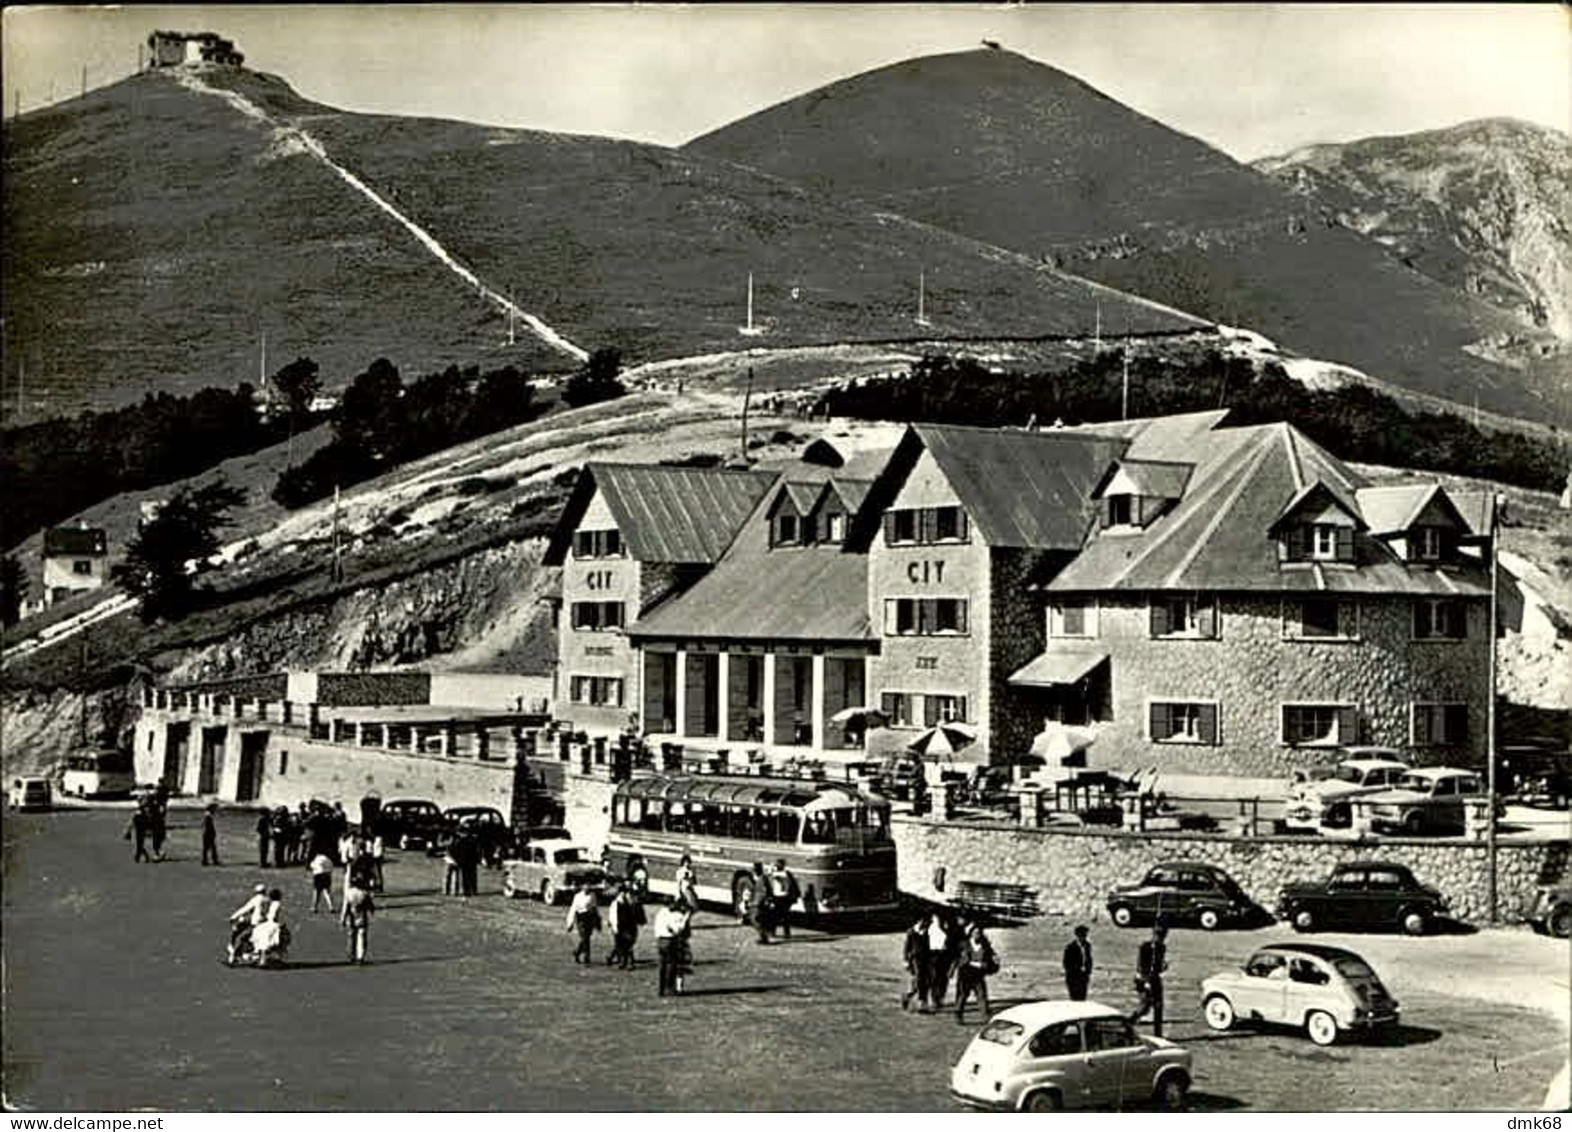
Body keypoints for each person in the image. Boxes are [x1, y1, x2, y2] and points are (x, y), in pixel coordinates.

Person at [1130, 922, 1170, 1036]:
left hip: (1155, 979)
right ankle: (1130, 1022)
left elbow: (1158, 965)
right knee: (1144, 1007)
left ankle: (1158, 1034)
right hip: (1143, 980)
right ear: (1154, 935)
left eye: (1162, 936)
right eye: (1159, 936)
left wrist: (1163, 966)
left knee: (1158, 1006)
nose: (1160, 939)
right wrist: (1146, 981)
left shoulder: (1162, 948)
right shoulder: (1145, 947)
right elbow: (1140, 965)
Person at [954, 922, 997, 1024]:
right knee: (962, 996)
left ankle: (986, 1016)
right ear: (971, 933)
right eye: (975, 932)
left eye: (979, 933)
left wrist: (988, 965)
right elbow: (957, 959)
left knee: (981, 995)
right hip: (965, 975)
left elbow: (992, 958)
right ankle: (958, 1015)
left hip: (978, 975)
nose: (977, 935)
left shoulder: (985, 946)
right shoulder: (964, 944)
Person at [654, 898, 692, 996]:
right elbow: (677, 929)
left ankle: (661, 989)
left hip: (660, 940)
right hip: (669, 940)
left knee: (662, 966)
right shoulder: (670, 915)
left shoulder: (660, 914)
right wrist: (685, 919)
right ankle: (670, 988)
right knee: (671, 965)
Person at [607, 882, 645, 970]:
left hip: (630, 926)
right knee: (626, 945)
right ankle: (628, 962)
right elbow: (613, 917)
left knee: (624, 944)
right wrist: (615, 927)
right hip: (621, 926)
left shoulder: (631, 901)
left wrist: (640, 920)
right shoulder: (617, 903)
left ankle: (619, 960)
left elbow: (638, 913)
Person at [228, 883, 269, 965]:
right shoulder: (267, 900)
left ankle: (234, 957)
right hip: (266, 924)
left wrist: (233, 917)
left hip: (256, 924)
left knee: (242, 938)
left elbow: (245, 909)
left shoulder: (256, 899)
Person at [901, 913, 932, 1011]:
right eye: (924, 921)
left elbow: (927, 947)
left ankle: (908, 996)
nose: (926, 924)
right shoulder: (911, 932)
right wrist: (905, 960)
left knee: (924, 980)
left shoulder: (926, 932)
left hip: (925, 959)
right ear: (919, 921)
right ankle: (921, 1002)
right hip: (914, 959)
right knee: (919, 979)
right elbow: (906, 947)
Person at [252, 887, 290, 966]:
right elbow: (274, 916)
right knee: (281, 941)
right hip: (273, 924)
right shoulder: (277, 904)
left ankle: (262, 960)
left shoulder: (271, 904)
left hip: (267, 923)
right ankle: (277, 958)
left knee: (264, 942)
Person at [925, 910, 954, 1010]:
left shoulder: (948, 927)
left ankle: (939, 998)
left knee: (943, 978)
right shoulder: (928, 928)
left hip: (944, 955)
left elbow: (951, 940)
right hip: (932, 955)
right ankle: (934, 999)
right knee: (934, 978)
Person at [566, 883, 601, 963]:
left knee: (587, 937)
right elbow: (573, 909)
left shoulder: (592, 895)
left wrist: (598, 921)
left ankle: (578, 953)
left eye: (588, 886)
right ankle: (586, 956)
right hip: (580, 918)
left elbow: (595, 908)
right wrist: (570, 923)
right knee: (585, 937)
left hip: (589, 919)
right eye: (585, 886)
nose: (587, 888)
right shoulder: (577, 896)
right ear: (582, 887)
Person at [341, 882, 374, 965]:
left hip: (351, 917)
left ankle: (351, 955)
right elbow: (371, 907)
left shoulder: (349, 893)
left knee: (351, 937)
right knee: (362, 936)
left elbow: (345, 908)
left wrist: (343, 919)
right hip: (362, 917)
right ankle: (360, 956)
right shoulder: (364, 893)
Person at [768, 859, 801, 939]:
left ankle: (774, 932)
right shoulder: (787, 874)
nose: (777, 866)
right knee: (785, 916)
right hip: (783, 896)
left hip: (780, 897)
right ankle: (786, 933)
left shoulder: (783, 874)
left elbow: (772, 876)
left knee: (776, 916)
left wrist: (771, 868)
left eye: (778, 865)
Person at [1063, 924, 1094, 1002]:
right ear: (1077, 935)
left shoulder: (1087, 945)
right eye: (1081, 935)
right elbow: (1066, 963)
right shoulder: (1070, 947)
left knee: (1082, 998)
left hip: (1083, 977)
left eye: (1085, 935)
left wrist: (1088, 971)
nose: (1083, 937)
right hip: (1073, 977)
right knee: (1075, 998)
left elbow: (1089, 959)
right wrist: (1076, 970)